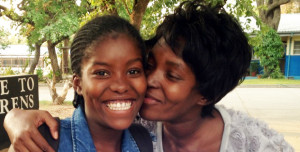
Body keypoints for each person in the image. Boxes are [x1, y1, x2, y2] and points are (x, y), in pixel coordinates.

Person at [4, 0, 294, 151]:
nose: (147, 81)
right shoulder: (133, 124)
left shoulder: (255, 144)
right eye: (148, 65)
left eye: (172, 76)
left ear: (206, 94)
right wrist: (12, 117)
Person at [4, 15, 152, 152]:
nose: (121, 86)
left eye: (133, 71)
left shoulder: (143, 139)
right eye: (102, 73)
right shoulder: (40, 140)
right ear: (78, 84)